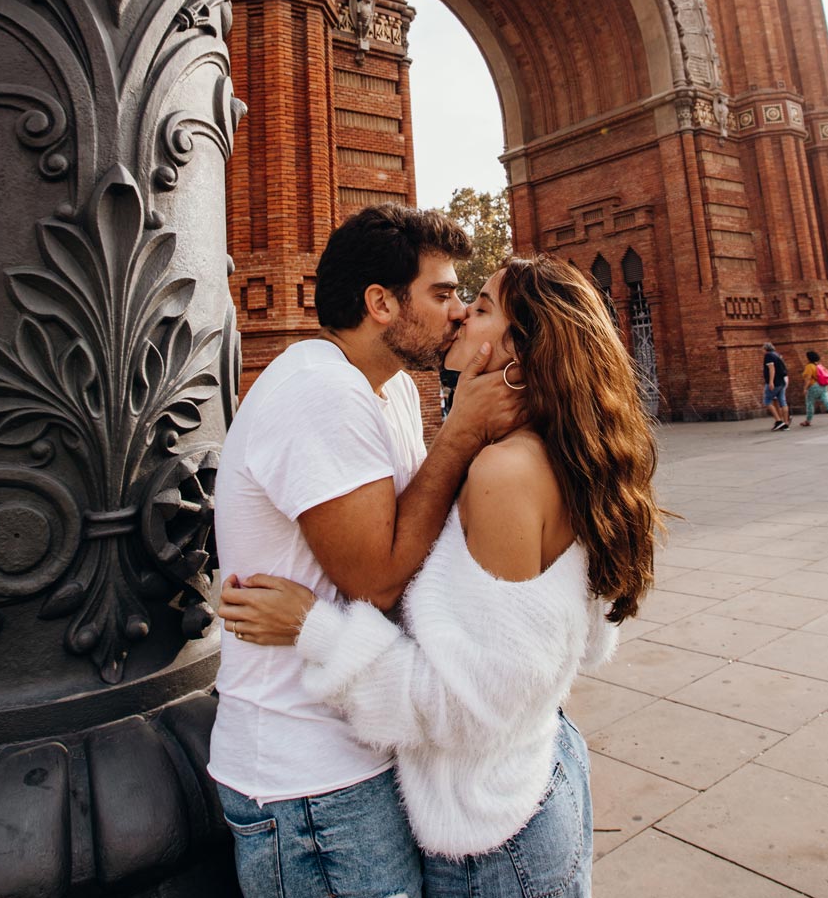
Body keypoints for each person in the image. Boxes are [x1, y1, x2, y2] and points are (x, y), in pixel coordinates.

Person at [221, 255, 664, 897]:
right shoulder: (553, 447)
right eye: (456, 296)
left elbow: (466, 710)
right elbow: (567, 642)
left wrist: (312, 628)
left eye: (479, 305)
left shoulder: (506, 474)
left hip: (496, 833)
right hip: (533, 777)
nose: (461, 313)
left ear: (519, 349)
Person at [208, 205, 522, 898]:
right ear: (381, 302)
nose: (458, 312)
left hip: (364, 740)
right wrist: (463, 433)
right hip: (307, 776)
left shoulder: (395, 391)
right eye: (441, 294)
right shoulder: (321, 389)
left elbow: (419, 536)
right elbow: (378, 579)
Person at [800, 349, 828, 427]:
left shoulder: (809, 366)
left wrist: (805, 388)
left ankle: (808, 421)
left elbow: (808, 378)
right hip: (823, 385)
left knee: (810, 403)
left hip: (813, 386)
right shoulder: (819, 365)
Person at [763, 341, 790, 429]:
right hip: (782, 381)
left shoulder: (768, 356)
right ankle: (786, 423)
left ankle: (778, 421)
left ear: (765, 349)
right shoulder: (777, 355)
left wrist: (771, 382)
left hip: (775, 382)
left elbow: (771, 369)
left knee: (767, 401)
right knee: (783, 401)